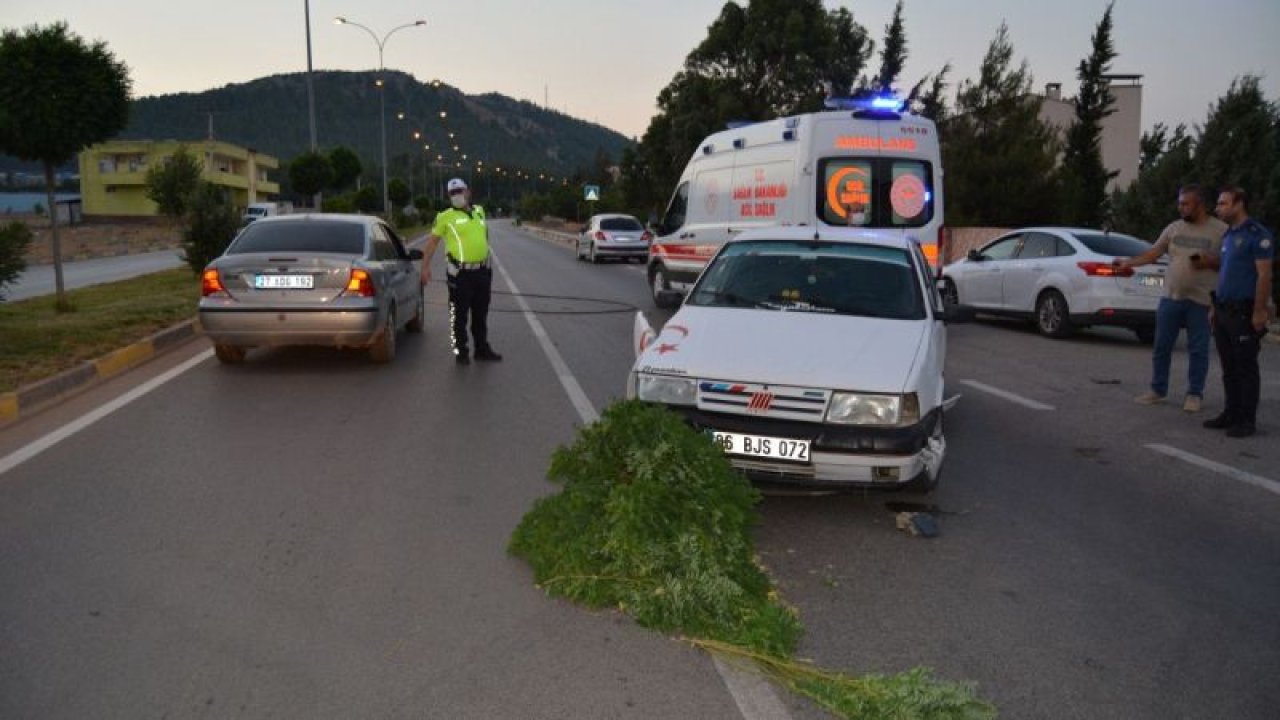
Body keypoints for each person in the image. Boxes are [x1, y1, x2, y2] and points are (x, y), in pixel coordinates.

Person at [1114, 185, 1226, 413]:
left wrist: (1210, 262)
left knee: (1198, 350)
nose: (1181, 208)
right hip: (1170, 297)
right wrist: (1128, 263)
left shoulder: (1220, 230)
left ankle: (1194, 394)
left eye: (1186, 204)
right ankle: (1157, 389)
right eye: (1180, 203)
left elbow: (1231, 263)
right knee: (1161, 346)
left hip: (1202, 300)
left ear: (1200, 205)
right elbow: (1153, 253)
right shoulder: (1174, 228)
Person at [1202, 187, 1274, 437]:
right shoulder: (1229, 235)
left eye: (1223, 203)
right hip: (1223, 309)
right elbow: (1224, 273)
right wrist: (1214, 306)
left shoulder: (1257, 234)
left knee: (1246, 367)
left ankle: (1246, 420)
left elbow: (1264, 275)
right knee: (1228, 366)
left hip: (1244, 311)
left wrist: (1259, 311)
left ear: (1239, 204)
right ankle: (1230, 413)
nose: (1217, 208)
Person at [421, 178, 503, 365]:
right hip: (460, 275)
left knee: (481, 314)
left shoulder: (479, 211)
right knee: (458, 315)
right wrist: (425, 268)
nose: (457, 195)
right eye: (453, 193)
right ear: (449, 196)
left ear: (468, 191)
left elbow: (485, 236)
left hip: (482, 272)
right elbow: (432, 243)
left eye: (460, 191)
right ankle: (461, 351)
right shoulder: (444, 217)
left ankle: (481, 349)